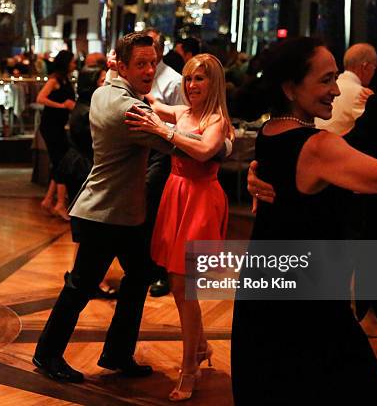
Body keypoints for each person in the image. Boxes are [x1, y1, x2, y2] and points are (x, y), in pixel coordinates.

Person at [231, 37, 377, 405]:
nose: (337, 89)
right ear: (290, 87)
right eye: (326, 80)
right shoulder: (318, 146)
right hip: (308, 302)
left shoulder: (270, 133)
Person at [32, 32, 229, 384]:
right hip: (105, 214)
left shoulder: (106, 91)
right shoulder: (131, 110)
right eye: (141, 63)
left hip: (121, 212)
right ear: (122, 66)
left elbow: (164, 114)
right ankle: (47, 354)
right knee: (81, 286)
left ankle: (117, 353)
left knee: (139, 276)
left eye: (153, 62)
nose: (150, 69)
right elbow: (188, 149)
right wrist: (225, 143)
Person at [124, 53, 233, 401]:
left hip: (200, 201)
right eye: (188, 78)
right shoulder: (184, 112)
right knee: (178, 283)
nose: (191, 85)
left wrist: (162, 129)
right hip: (177, 195)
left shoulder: (217, 119)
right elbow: (152, 101)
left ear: (213, 82)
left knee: (184, 287)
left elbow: (203, 151)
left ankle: (189, 370)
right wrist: (125, 75)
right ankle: (199, 347)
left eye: (199, 78)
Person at [58, 66, 117, 299]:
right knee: (89, 228)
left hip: (79, 165)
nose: (106, 84)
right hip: (84, 168)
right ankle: (91, 280)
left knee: (84, 230)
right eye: (102, 80)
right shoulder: (89, 110)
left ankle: (79, 277)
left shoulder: (82, 106)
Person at [144, 27, 185, 298]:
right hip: (141, 149)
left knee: (157, 212)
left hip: (163, 151)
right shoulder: (139, 75)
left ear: (159, 51)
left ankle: (160, 272)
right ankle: (145, 267)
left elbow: (183, 120)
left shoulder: (173, 80)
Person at [36, 50, 77, 221]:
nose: (75, 64)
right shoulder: (55, 80)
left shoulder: (66, 79)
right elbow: (40, 98)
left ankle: (48, 200)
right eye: (73, 61)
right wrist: (61, 106)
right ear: (66, 62)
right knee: (61, 161)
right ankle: (59, 203)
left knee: (59, 162)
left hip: (58, 126)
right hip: (50, 127)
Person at [314, 43, 377, 135]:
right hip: (335, 146)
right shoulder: (361, 94)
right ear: (365, 67)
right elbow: (372, 130)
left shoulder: (329, 87)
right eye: (374, 67)